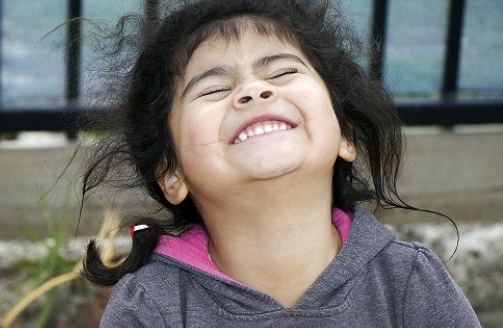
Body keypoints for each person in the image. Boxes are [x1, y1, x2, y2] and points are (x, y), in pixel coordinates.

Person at [78, 0, 480, 326]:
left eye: (283, 71)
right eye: (215, 88)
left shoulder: (410, 281)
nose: (254, 90)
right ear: (170, 172)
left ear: (346, 135)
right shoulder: (151, 306)